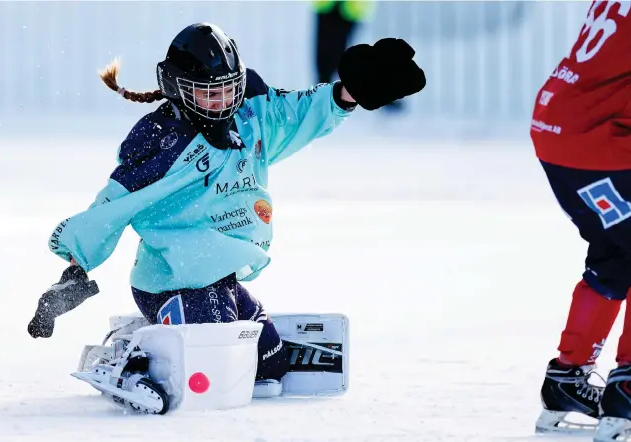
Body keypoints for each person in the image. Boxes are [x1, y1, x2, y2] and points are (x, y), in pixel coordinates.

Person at [27, 22, 425, 395]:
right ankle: (129, 357)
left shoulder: (251, 118)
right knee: (217, 340)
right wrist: (74, 273)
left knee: (268, 364)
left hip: (221, 276)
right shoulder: (162, 144)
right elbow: (108, 210)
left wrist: (348, 92)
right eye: (208, 93)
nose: (222, 102)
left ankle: (171, 335)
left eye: (228, 90)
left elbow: (297, 113)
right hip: (167, 278)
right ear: (180, 89)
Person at [530, 0, 631, 437]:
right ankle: (627, 389)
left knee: (616, 252)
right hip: (596, 136)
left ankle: (567, 380)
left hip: (561, 129)